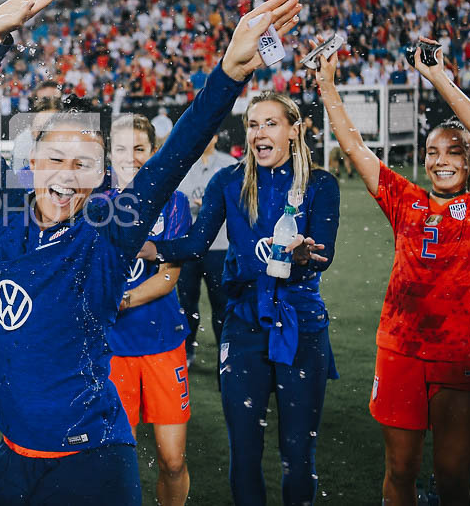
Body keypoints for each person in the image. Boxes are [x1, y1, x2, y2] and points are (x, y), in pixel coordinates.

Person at [0, 0, 302, 504]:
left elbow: (176, 154)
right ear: (30, 164)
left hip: (91, 457)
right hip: (14, 457)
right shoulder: (8, 215)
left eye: (83, 163)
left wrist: (229, 72)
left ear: (101, 176)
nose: (66, 176)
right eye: (54, 159)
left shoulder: (109, 230)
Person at [314, 34, 470, 504]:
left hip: (460, 355)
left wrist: (437, 76)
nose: (441, 160)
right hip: (400, 349)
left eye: (453, 152)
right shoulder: (407, 201)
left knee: (451, 478)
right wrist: (326, 85)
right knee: (400, 470)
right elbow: (355, 147)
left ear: (469, 163)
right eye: (433, 152)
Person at [138, 92, 340, 506]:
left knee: (298, 456)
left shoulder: (321, 184)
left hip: (302, 325)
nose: (259, 133)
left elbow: (325, 255)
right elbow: (196, 243)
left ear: (293, 129)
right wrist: (151, 248)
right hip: (245, 323)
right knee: (245, 453)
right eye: (253, 124)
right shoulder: (228, 181)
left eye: (270, 123)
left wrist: (303, 255)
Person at [107, 114, 192, 505]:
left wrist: (120, 299)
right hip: (111, 349)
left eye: (139, 149)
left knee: (172, 460)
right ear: (109, 153)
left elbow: (168, 278)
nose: (131, 157)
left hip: (162, 343)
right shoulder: (93, 203)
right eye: (122, 149)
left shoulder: (173, 201)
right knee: (114, 460)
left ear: (153, 152)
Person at [175, 134, 237, 368]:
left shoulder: (229, 163)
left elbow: (239, 200)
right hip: (188, 246)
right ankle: (187, 351)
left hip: (219, 246)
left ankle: (225, 354)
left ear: (217, 136)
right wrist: (196, 204)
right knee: (187, 303)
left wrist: (212, 205)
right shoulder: (183, 163)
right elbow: (175, 200)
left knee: (222, 303)